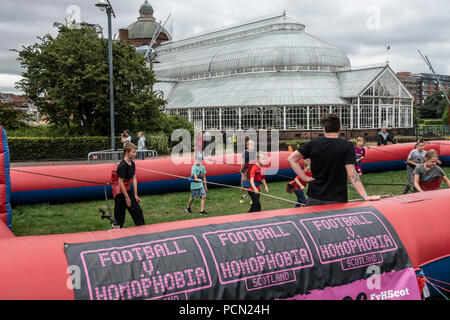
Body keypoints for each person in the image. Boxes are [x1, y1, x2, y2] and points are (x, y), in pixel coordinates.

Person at [287, 113, 380, 206]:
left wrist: (305, 178)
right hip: (337, 199)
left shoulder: (314, 143)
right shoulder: (347, 146)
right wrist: (365, 196)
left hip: (315, 198)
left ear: (323, 128)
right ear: (340, 128)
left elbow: (292, 159)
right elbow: (352, 174)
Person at [112, 142, 145, 229]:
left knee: (138, 211)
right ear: (126, 152)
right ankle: (117, 233)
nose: (135, 154)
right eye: (133, 152)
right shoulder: (122, 165)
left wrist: (135, 195)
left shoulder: (132, 164)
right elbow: (120, 182)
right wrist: (127, 198)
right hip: (120, 192)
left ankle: (142, 230)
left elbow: (134, 178)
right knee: (119, 216)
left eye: (135, 152)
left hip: (128, 189)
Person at [240, 139, 256, 204]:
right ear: (247, 146)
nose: (252, 146)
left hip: (252, 169)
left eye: (253, 145)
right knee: (243, 183)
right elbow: (242, 161)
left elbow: (255, 161)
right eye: (251, 145)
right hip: (245, 168)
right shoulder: (244, 152)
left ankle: (253, 198)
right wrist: (241, 169)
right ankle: (244, 196)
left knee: (251, 184)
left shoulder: (254, 153)